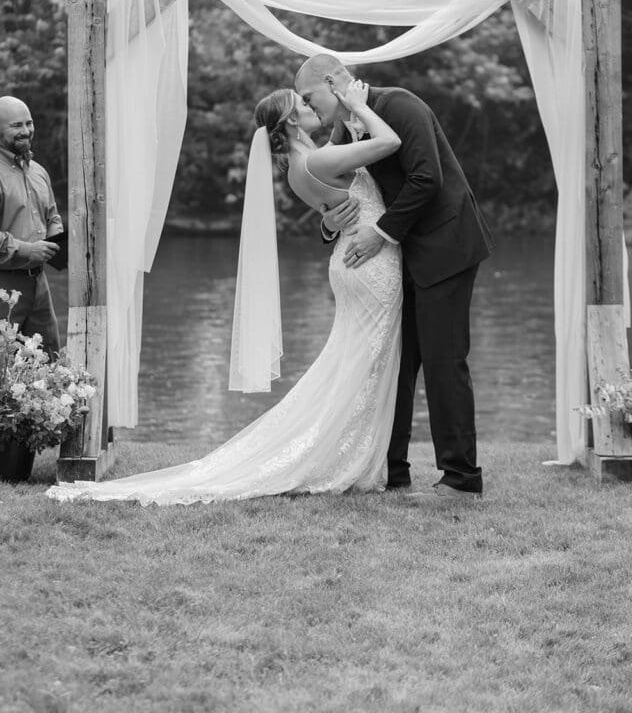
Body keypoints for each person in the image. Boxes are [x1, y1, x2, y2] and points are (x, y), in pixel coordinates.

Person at [47, 80, 404, 505]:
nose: (312, 106)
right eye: (304, 103)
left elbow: (336, 173)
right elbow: (390, 141)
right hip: (369, 265)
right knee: (361, 365)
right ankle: (347, 455)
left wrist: (329, 210)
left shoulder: (299, 166)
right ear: (292, 120)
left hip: (349, 262)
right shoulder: (319, 159)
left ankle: (350, 452)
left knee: (350, 365)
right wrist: (360, 106)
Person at [294, 54, 493, 502]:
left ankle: (461, 479)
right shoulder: (347, 128)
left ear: (333, 81)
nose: (309, 107)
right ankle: (392, 471)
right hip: (403, 255)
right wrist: (330, 225)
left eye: (310, 96)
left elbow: (427, 178)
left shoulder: (400, 105)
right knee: (396, 364)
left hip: (446, 247)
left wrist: (381, 233)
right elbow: (346, 193)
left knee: (444, 361)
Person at [0, 96, 63, 358]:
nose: (26, 131)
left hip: (39, 284)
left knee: (50, 362)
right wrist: (28, 250)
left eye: (29, 123)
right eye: (16, 125)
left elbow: (52, 216)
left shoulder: (38, 171)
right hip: (3, 286)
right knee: (4, 366)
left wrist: (57, 238)